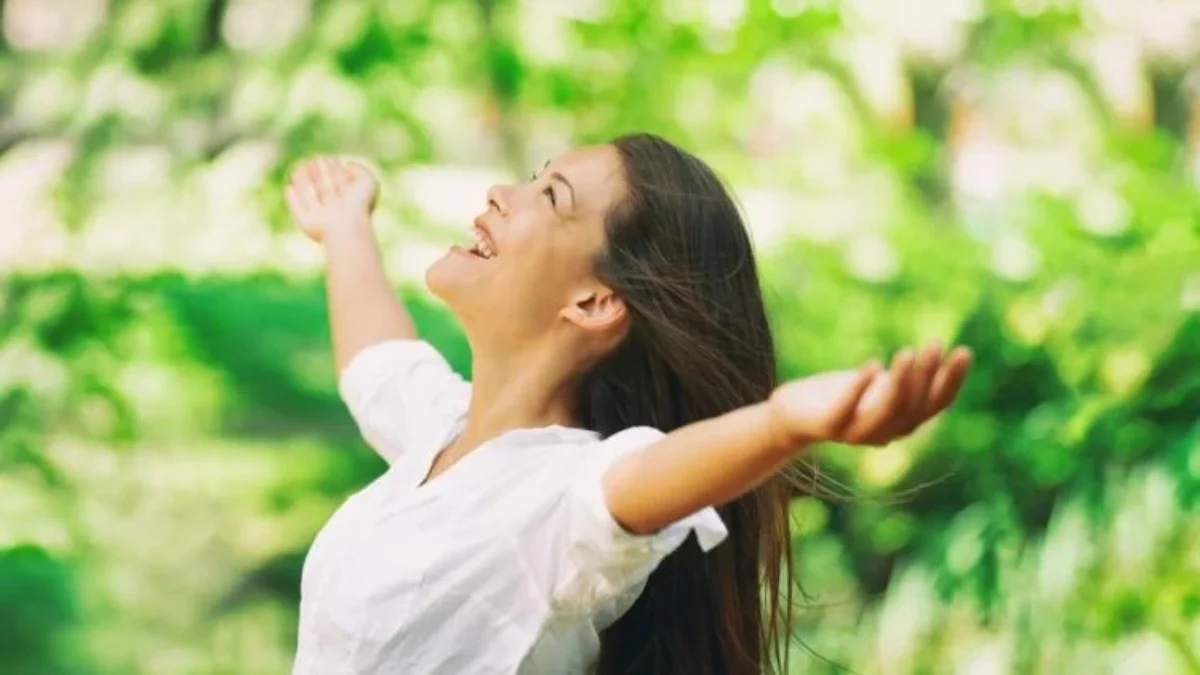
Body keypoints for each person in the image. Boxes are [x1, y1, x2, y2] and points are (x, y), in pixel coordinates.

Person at [283, 133, 971, 675]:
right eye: (533, 177)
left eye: (548, 195)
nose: (501, 193)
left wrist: (784, 423)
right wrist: (346, 224)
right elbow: (377, 362)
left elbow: (640, 483)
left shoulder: (562, 494)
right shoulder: (442, 430)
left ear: (594, 301)